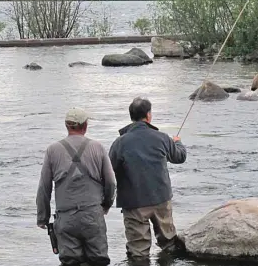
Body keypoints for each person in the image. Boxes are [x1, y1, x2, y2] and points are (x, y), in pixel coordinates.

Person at [109, 97, 187, 261]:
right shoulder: (162, 137)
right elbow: (179, 157)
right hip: (161, 199)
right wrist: (178, 143)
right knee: (170, 245)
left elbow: (110, 172)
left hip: (133, 203)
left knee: (138, 253)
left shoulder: (119, 143)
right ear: (148, 116)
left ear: (131, 117)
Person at [36, 108, 116, 266]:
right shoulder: (98, 147)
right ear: (85, 126)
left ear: (67, 126)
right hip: (93, 215)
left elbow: (44, 188)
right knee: (99, 261)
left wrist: (42, 217)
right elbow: (111, 182)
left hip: (66, 218)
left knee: (70, 262)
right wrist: (105, 206)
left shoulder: (52, 150)